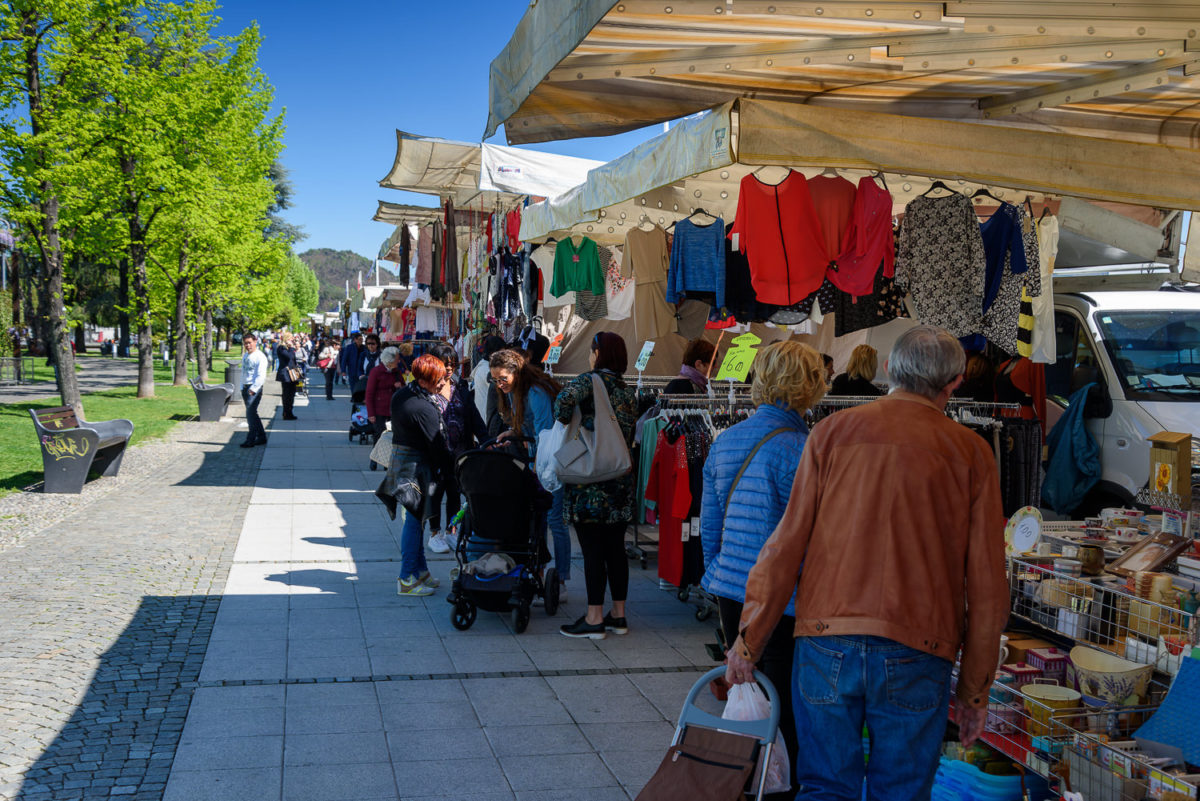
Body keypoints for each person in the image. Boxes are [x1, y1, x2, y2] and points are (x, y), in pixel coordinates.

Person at [724, 325, 1009, 801]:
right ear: (955, 382)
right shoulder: (972, 453)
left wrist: (748, 641)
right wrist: (975, 691)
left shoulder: (831, 434)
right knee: (899, 790)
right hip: (919, 645)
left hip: (825, 637)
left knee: (824, 788)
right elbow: (986, 587)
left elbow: (784, 547)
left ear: (887, 369)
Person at [699, 341, 827, 793]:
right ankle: (777, 788)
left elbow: (709, 524)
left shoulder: (726, 440)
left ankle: (744, 777)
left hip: (732, 589)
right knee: (785, 705)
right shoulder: (806, 449)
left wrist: (719, 573)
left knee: (745, 691)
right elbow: (815, 540)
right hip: (784, 599)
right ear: (810, 386)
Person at [553, 332, 638, 639]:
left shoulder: (589, 382)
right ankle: (619, 615)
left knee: (592, 550)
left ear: (598, 353)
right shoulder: (627, 391)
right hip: (619, 480)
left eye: (592, 351)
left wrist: (572, 420)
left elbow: (562, 405)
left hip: (591, 484)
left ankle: (593, 618)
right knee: (615, 548)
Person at [385, 354, 454, 596]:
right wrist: (450, 471)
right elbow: (438, 446)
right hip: (414, 468)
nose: (441, 384)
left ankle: (420, 572)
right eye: (437, 380)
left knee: (418, 520)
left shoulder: (404, 394)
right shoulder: (423, 407)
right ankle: (406, 579)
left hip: (404, 463)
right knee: (414, 522)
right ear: (423, 380)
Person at [426, 343, 488, 554]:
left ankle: (451, 531)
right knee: (435, 494)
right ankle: (435, 534)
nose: (450, 368)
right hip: (436, 455)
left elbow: (474, 418)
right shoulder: (426, 390)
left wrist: (487, 440)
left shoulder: (460, 388)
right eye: (446, 363)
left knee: (454, 493)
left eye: (452, 363)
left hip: (460, 453)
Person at [365, 345, 405, 460]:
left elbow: (404, 388)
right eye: (397, 358)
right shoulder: (376, 372)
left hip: (393, 409)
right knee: (379, 435)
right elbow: (369, 393)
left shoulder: (396, 372)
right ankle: (375, 458)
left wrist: (400, 386)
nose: (399, 360)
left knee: (392, 436)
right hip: (379, 409)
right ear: (390, 360)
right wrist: (370, 413)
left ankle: (387, 460)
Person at [239, 333, 269, 448]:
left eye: (249, 342)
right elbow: (243, 372)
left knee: (250, 414)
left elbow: (261, 375)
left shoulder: (260, 356)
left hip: (253, 388)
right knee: (252, 414)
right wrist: (242, 387)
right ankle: (261, 436)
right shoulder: (246, 356)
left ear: (255, 341)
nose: (248, 345)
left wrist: (254, 389)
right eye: (245, 343)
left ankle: (250, 439)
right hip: (245, 387)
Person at [472, 335, 506, 429]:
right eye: (502, 353)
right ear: (493, 353)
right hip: (487, 421)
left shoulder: (484, 366)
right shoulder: (487, 370)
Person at [275, 333, 300, 420]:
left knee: (292, 393)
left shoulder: (289, 348)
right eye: (290, 338)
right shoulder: (281, 348)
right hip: (286, 374)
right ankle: (286, 413)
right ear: (286, 339)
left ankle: (290, 412)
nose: (292, 340)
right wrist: (292, 348)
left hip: (292, 373)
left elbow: (293, 359)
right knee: (287, 394)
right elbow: (288, 357)